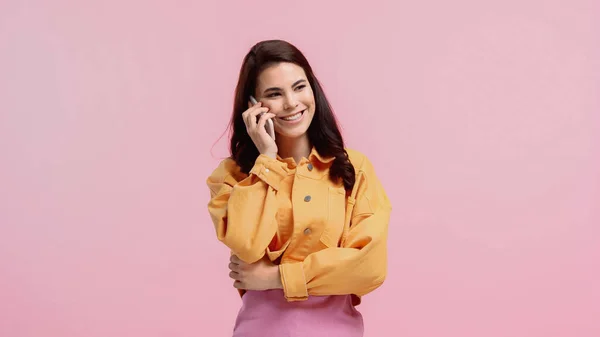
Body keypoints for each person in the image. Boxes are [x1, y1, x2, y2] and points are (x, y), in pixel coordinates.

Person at [206, 39, 392, 337]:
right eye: (274, 94)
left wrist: (277, 277)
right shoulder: (232, 176)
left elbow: (368, 267)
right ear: (253, 106)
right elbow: (247, 244)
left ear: (313, 88)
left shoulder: (354, 169)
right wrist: (266, 159)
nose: (291, 103)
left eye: (299, 87)